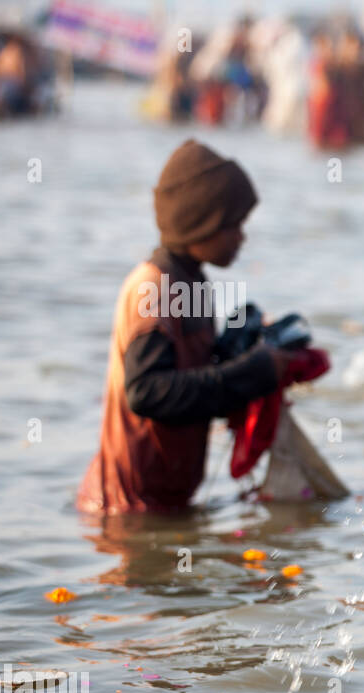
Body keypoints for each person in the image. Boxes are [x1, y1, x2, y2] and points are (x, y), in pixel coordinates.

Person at [77, 140, 317, 515]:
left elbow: (192, 381)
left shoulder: (192, 283)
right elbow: (147, 391)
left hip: (168, 504)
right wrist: (250, 373)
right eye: (233, 225)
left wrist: (246, 354)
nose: (242, 236)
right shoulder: (154, 288)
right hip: (125, 509)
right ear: (201, 224)